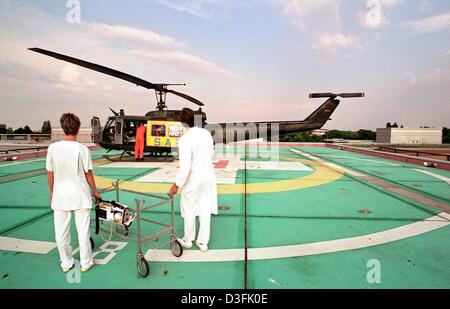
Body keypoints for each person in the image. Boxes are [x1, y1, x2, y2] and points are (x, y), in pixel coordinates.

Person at [46, 113, 101, 273]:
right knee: (83, 231)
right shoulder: (82, 149)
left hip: (60, 195)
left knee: (61, 232)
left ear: (63, 128)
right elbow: (88, 173)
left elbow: (50, 173)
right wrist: (96, 192)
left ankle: (66, 262)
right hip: (80, 195)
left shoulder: (53, 148)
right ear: (77, 128)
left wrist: (52, 192)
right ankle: (86, 262)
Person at [168, 108, 218, 252]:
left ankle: (188, 240)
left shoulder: (185, 139)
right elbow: (211, 155)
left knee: (189, 209)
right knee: (205, 208)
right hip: (208, 177)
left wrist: (176, 185)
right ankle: (203, 242)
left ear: (183, 123)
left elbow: (186, 166)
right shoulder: (206, 134)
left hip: (193, 179)